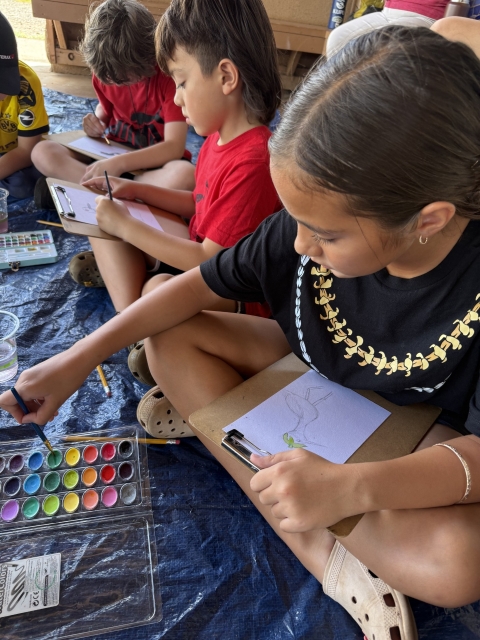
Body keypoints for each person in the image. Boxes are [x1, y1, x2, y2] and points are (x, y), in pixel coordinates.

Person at [3, 26, 480, 640]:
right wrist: (77, 358)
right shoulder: (305, 229)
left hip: (417, 431)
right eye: (297, 223)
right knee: (170, 334)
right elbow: (198, 286)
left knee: (459, 561)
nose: (300, 246)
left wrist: (351, 487)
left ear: (428, 220)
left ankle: (280, 484)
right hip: (316, 376)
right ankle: (317, 544)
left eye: (326, 236)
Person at [78, 0, 282, 386]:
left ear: (226, 77)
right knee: (102, 214)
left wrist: (126, 227)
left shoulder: (254, 160)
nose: (175, 98)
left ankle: (137, 319)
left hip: (231, 293)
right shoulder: (219, 137)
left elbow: (209, 263)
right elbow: (196, 204)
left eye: (181, 82)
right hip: (197, 255)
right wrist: (133, 190)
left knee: (153, 281)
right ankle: (138, 319)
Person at [32, 0, 194, 210]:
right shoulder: (106, 71)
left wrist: (118, 165)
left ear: (147, 56)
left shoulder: (167, 77)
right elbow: (105, 111)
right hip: (110, 155)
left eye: (126, 78)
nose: (118, 83)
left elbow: (173, 147)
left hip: (154, 165)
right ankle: (116, 195)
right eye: (112, 80)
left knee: (186, 176)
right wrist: (96, 121)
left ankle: (101, 192)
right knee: (42, 151)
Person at [0, 12, 49, 200]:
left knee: (24, 185)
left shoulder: (26, 83)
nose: (4, 95)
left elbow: (27, 150)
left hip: (11, 154)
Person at [326, 0, 449, 57]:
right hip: (388, 13)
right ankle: (335, 95)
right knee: (338, 37)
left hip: (424, 16)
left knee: (382, 39)